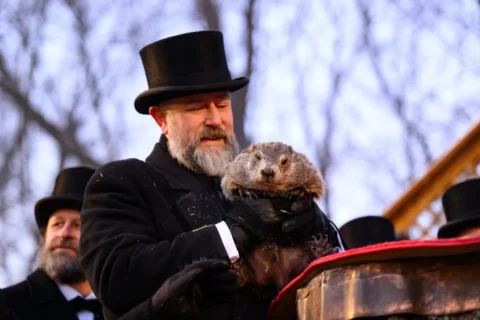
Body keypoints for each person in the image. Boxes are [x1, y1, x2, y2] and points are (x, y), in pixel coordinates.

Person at [79, 30, 344, 320]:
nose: (215, 120)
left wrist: (315, 226)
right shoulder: (124, 182)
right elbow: (118, 278)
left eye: (222, 104)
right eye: (196, 107)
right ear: (161, 119)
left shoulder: (255, 182)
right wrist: (234, 232)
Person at [2, 166, 104, 320]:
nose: (64, 234)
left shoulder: (123, 310)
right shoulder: (7, 305)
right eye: (57, 224)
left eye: (78, 225)